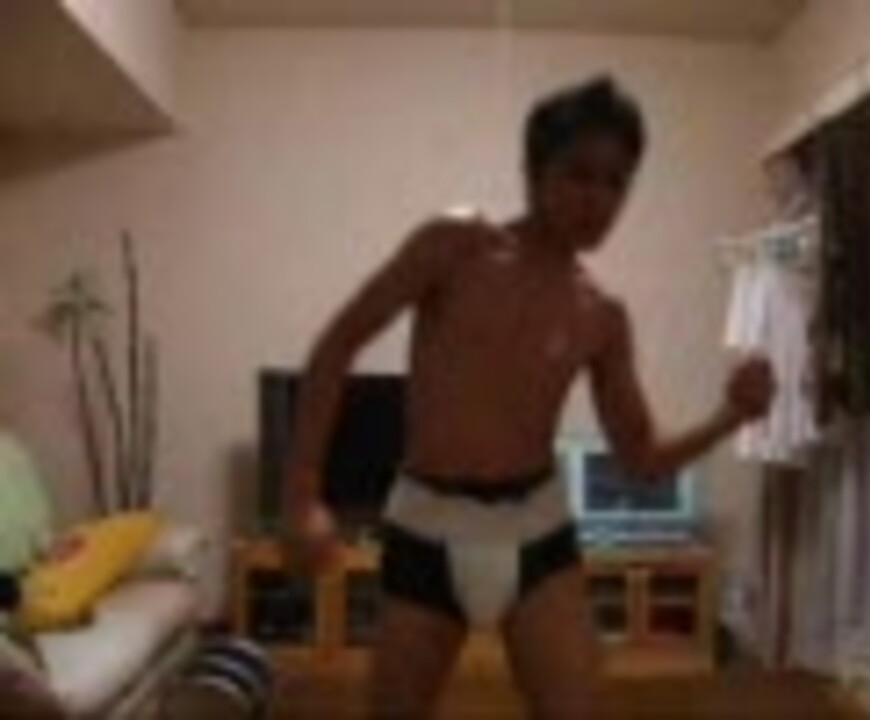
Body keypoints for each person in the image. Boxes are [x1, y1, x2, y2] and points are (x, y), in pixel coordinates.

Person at [283, 76, 775, 719]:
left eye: (616, 182)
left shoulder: (601, 314)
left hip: (537, 532)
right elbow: (337, 346)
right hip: (427, 525)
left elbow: (641, 458)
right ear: (534, 171)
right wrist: (302, 496)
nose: (598, 199)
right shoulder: (454, 246)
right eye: (579, 173)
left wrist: (731, 415)